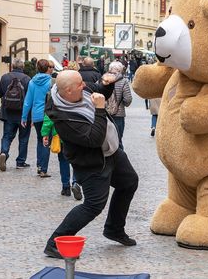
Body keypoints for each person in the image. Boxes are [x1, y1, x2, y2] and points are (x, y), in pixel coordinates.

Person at [43, 70, 139, 259]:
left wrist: (107, 83)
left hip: (111, 153)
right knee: (93, 205)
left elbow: (99, 90)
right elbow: (94, 138)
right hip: (91, 163)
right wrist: (100, 109)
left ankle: (114, 229)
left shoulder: (79, 89)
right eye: (80, 85)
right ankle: (54, 243)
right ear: (69, 91)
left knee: (129, 182)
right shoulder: (63, 118)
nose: (85, 85)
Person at [0, 57, 32, 171]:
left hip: (8, 113)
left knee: (7, 136)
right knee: (24, 138)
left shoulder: (5, 77)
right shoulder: (27, 79)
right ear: (23, 67)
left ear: (12, 66)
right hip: (23, 114)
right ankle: (20, 162)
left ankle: (4, 153)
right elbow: (29, 98)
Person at [22, 59, 53, 177]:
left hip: (36, 115)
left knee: (40, 140)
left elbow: (27, 102)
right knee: (46, 141)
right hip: (48, 115)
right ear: (47, 68)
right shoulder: (51, 82)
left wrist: (24, 117)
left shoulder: (32, 82)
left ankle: (39, 166)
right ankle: (43, 169)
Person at [41, 114, 82, 200]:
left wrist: (45, 133)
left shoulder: (55, 100)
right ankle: (76, 183)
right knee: (76, 160)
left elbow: (49, 116)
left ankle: (66, 187)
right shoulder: (78, 99)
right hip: (76, 134)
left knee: (63, 161)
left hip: (60, 135)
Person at [105, 61, 132, 149]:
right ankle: (119, 160)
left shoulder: (102, 79)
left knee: (105, 139)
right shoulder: (123, 81)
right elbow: (128, 99)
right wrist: (123, 104)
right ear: (120, 70)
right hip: (118, 114)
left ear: (109, 69)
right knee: (118, 139)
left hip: (104, 114)